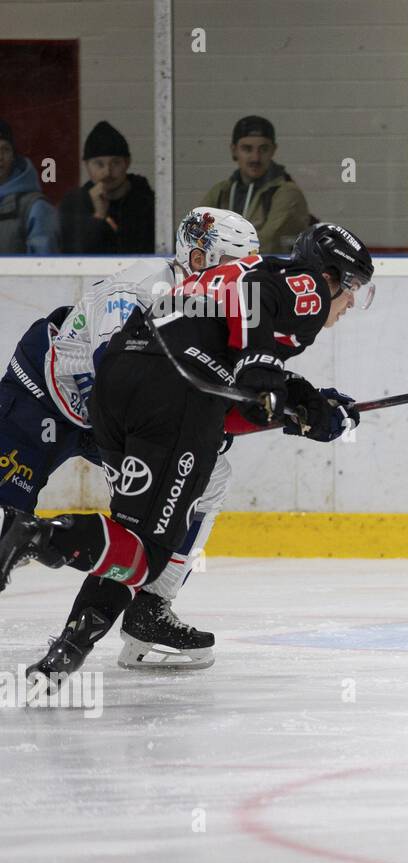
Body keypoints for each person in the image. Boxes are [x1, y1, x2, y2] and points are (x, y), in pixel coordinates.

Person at [1, 222, 372, 683]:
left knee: (169, 508)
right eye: (352, 286)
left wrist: (306, 406)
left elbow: (225, 390)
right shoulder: (299, 285)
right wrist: (265, 376)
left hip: (122, 398)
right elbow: (247, 336)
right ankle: (41, 537)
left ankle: (78, 643)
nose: (353, 300)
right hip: (52, 400)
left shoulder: (201, 293)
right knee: (144, 547)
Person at [0, 208, 261, 668]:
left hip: (109, 417)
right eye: (231, 263)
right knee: (4, 519)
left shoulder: (209, 301)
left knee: (208, 473)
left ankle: (150, 609)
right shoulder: (141, 290)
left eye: (247, 266)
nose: (240, 277)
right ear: (197, 255)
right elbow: (112, 374)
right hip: (43, 397)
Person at [201, 115, 311, 254]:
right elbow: (195, 234)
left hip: (271, 273)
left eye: (263, 149)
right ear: (234, 150)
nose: (255, 158)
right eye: (247, 149)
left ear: (273, 150)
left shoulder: (287, 193)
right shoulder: (221, 191)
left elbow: (266, 242)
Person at [58, 121, 156, 254]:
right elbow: (72, 259)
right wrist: (99, 217)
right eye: (99, 164)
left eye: (115, 163)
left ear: (127, 163)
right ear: (86, 165)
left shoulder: (147, 202)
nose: (107, 172)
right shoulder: (74, 204)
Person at [0, 118, 59, 254]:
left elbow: (44, 267)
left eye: (5, 149)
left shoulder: (35, 207)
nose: (0, 156)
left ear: (14, 156)